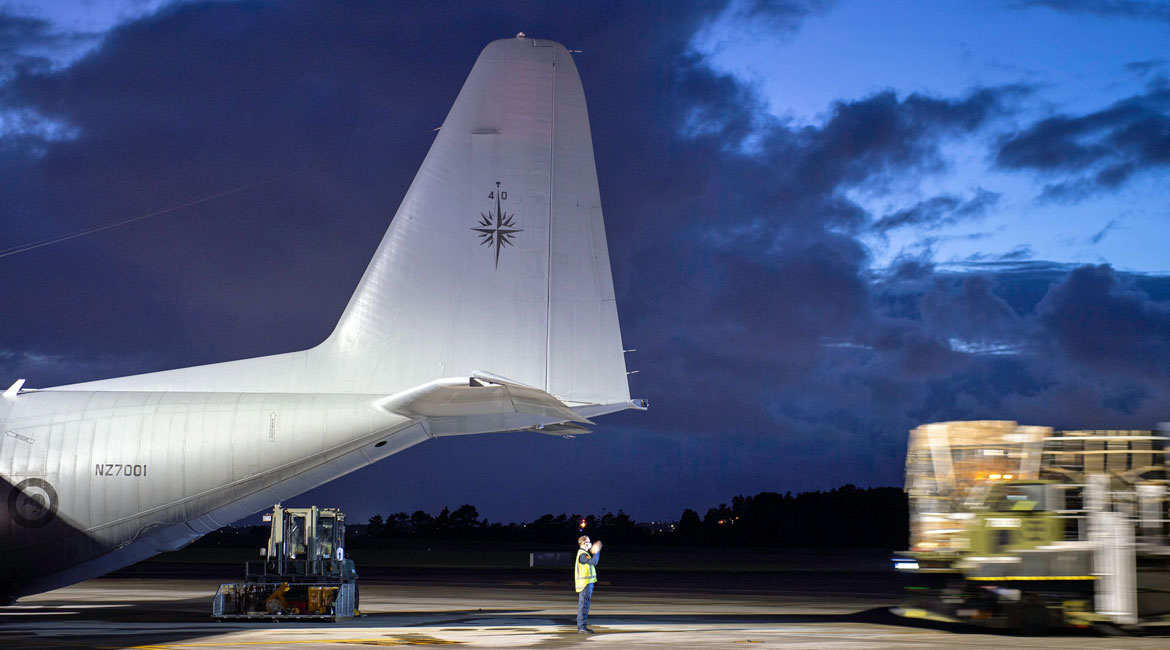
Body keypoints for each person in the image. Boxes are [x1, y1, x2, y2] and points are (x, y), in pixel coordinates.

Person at [574, 535, 601, 633]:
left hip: (587, 583)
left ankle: (581, 626)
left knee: (584, 605)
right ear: (583, 543)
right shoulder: (582, 554)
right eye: (588, 542)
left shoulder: (584, 553)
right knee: (584, 606)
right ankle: (582, 627)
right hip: (585, 584)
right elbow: (594, 562)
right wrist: (596, 551)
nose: (590, 543)